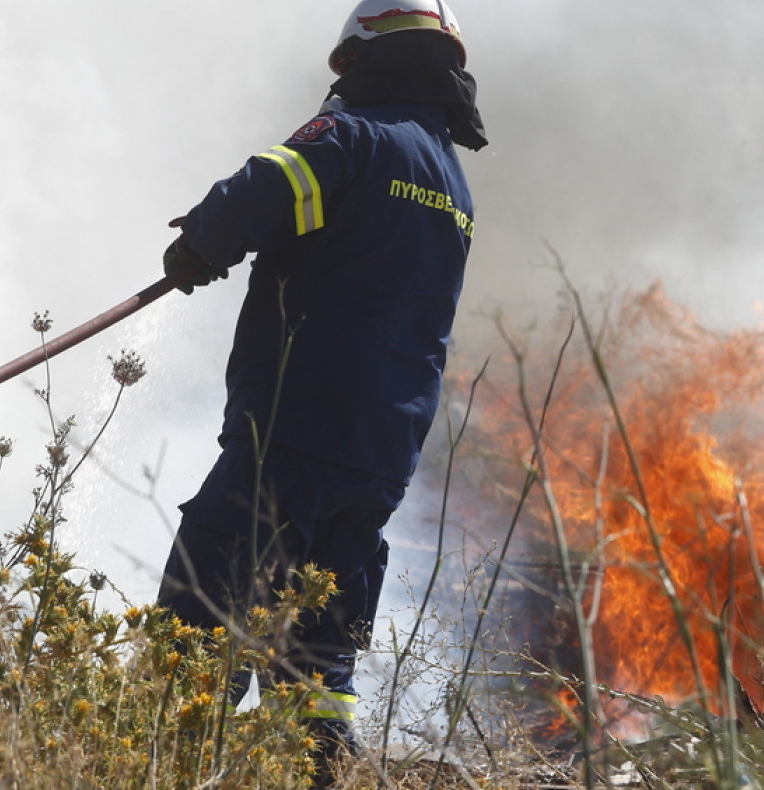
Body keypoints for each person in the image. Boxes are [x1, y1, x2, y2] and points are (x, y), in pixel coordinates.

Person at [154, 0, 485, 783]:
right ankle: (318, 774)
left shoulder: (353, 137)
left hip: (294, 428)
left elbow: (268, 186)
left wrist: (200, 242)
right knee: (318, 652)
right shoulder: (452, 183)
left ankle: (165, 761)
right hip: (382, 453)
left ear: (362, 58)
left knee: (204, 615)